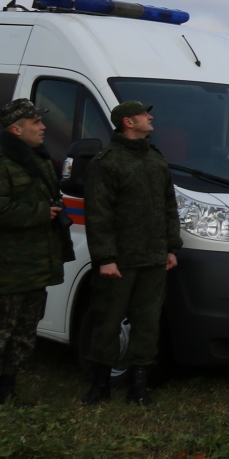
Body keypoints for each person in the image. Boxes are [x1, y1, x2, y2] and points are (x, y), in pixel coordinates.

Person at [0, 99, 69, 405]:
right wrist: (40, 212)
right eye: (36, 122)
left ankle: (7, 390)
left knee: (23, 334)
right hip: (7, 266)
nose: (43, 127)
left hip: (35, 265)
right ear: (16, 129)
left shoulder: (37, 161)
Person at [82, 100, 181, 406]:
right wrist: (106, 257)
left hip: (152, 257)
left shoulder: (155, 158)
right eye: (142, 114)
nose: (149, 117)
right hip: (121, 260)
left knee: (148, 322)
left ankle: (139, 386)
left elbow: (168, 206)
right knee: (108, 321)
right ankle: (100, 385)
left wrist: (170, 247)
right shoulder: (106, 162)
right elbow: (98, 214)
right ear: (127, 122)